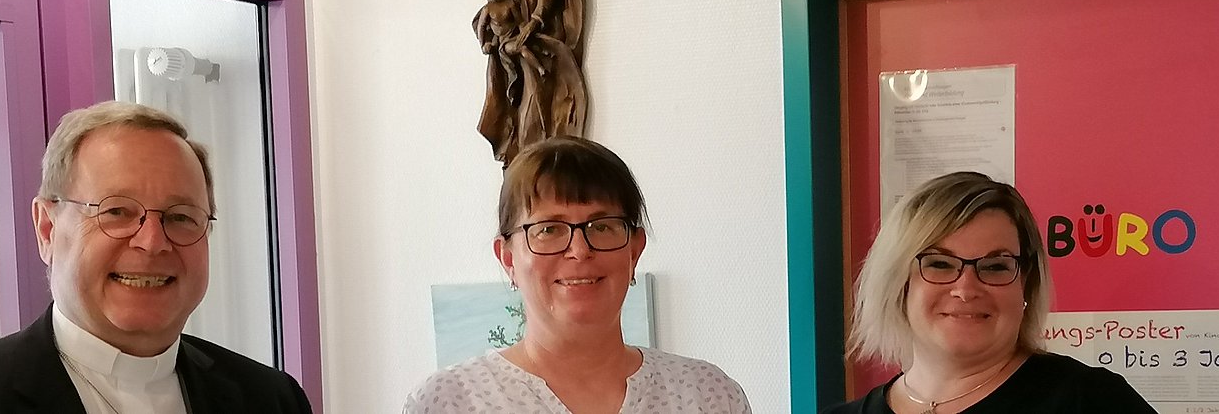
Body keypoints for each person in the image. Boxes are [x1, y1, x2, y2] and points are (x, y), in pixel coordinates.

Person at [0, 101, 313, 413]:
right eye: (117, 211)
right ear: (47, 228)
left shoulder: (271, 399)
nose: (152, 242)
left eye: (181, 217)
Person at [404, 136, 752, 413]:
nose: (579, 250)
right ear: (508, 258)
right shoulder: (448, 402)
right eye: (548, 229)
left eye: (602, 226)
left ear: (634, 251)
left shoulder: (709, 396)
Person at [824, 172, 1153, 413]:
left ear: (1026, 284)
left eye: (995, 266)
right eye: (939, 264)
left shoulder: (1093, 402)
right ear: (898, 283)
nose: (966, 289)